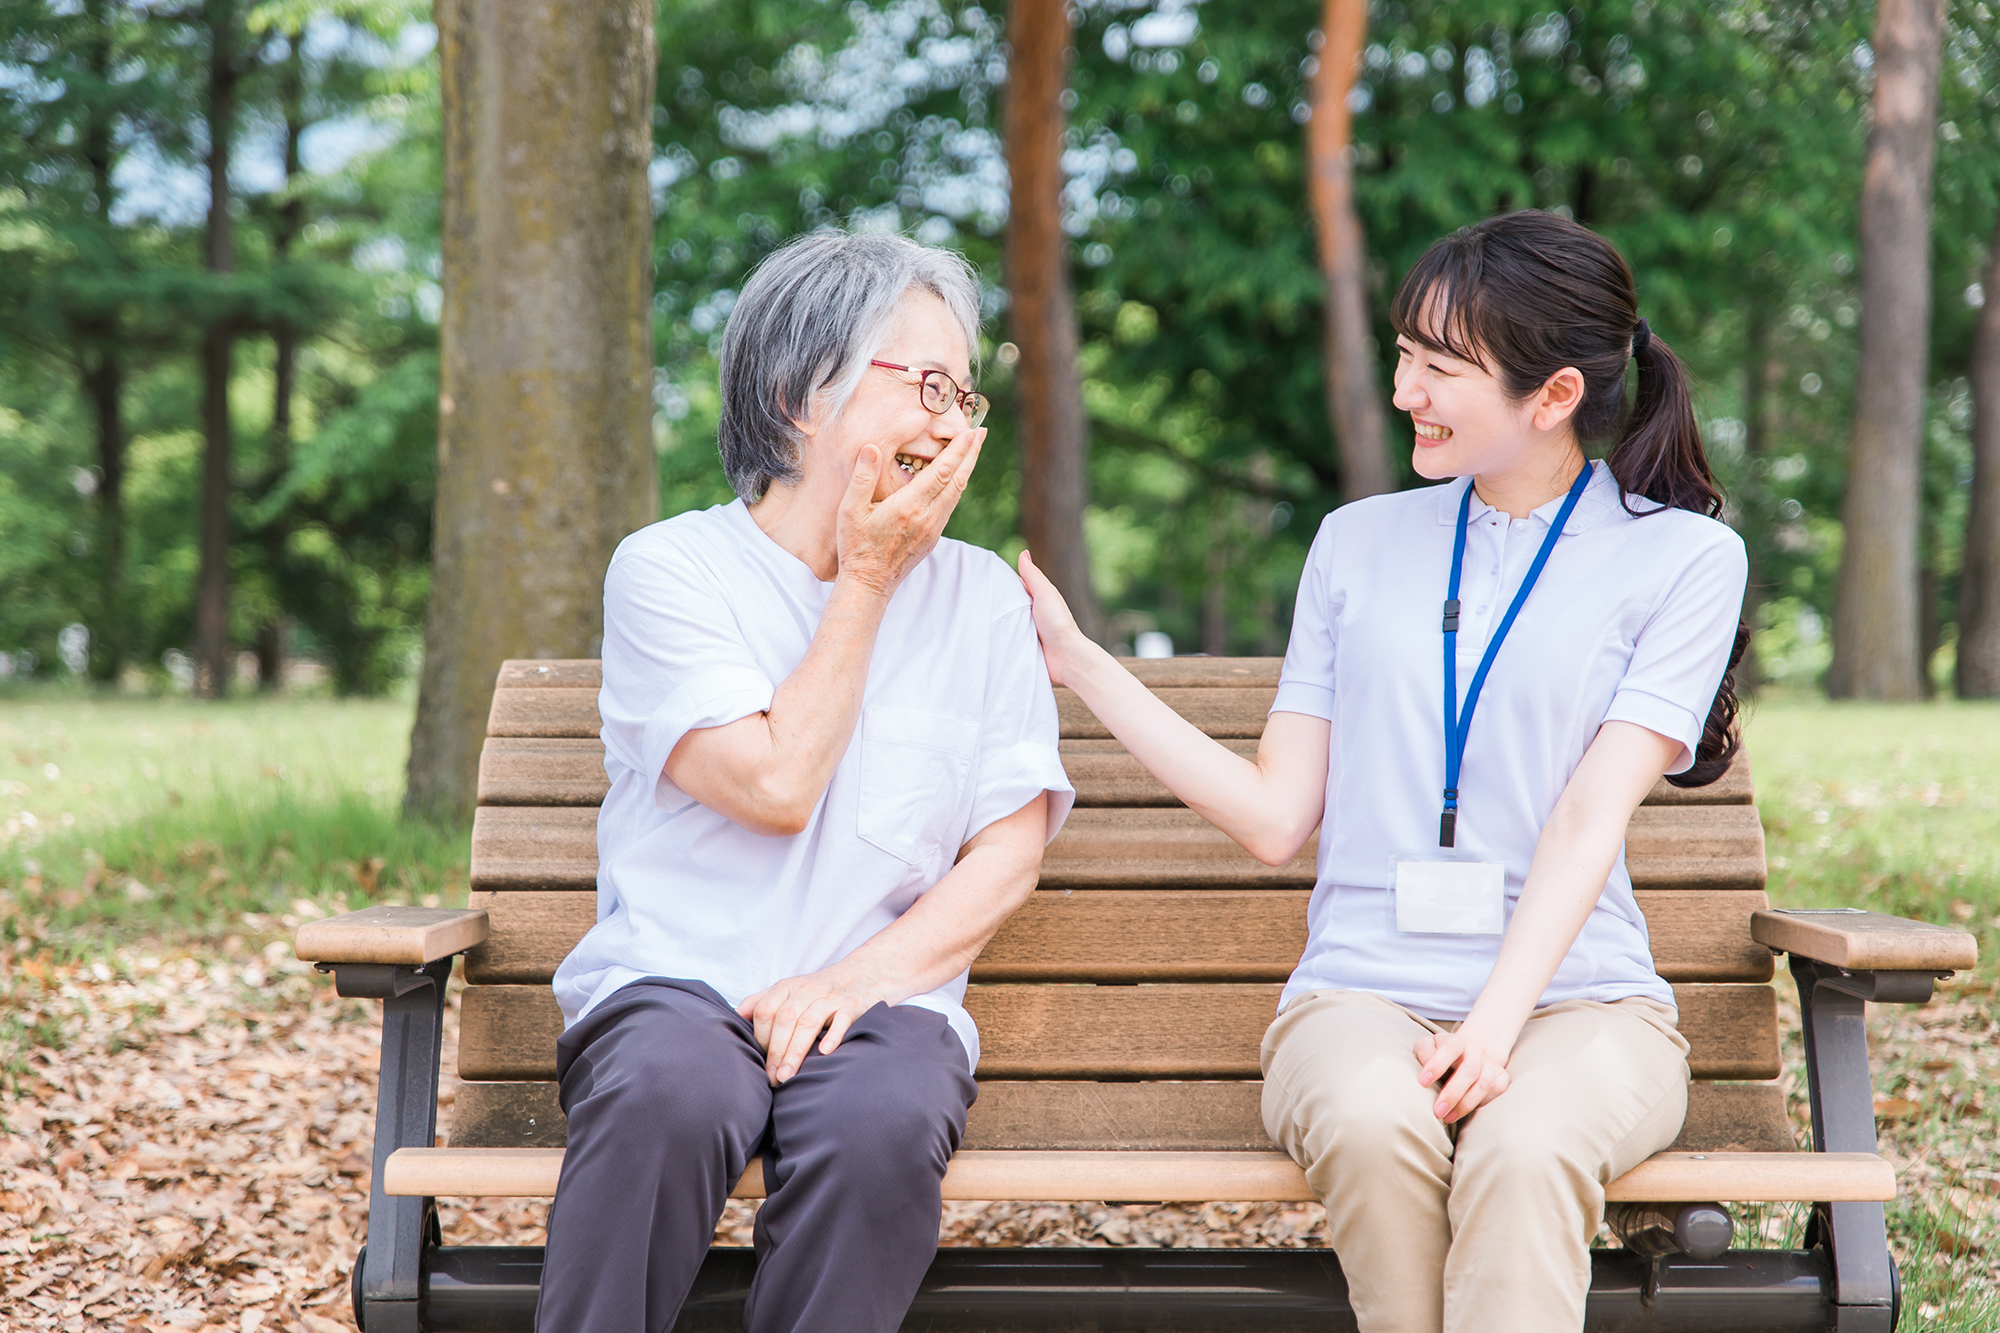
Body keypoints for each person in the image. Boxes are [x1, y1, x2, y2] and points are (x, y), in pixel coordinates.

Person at [1017, 209, 1749, 1333]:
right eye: (1404, 353)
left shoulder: (1684, 557)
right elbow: (1272, 819)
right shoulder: (1354, 542)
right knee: (1371, 1120)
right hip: (1358, 994)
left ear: (1552, 396)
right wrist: (1078, 663)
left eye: (1440, 367)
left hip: (1578, 1004)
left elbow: (1588, 815)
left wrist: (1493, 1029)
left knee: (1522, 1143)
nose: (1405, 389)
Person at [540, 230, 1074, 1333]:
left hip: (885, 999)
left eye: (961, 396)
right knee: (669, 1095)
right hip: (676, 985)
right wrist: (867, 577)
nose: (948, 421)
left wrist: (853, 980)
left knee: (880, 1123)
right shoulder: (670, 570)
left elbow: (1009, 847)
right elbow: (774, 784)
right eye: (923, 384)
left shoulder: (980, 599)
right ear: (796, 393)